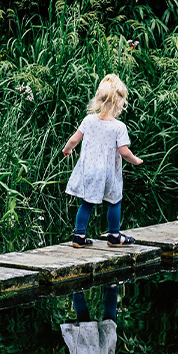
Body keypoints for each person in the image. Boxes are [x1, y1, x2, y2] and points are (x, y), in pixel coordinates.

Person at [62, 74, 143, 247]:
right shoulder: (119, 127)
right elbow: (124, 151)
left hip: (89, 169)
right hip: (108, 172)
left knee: (87, 203)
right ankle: (114, 236)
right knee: (115, 200)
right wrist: (135, 160)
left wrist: (67, 150)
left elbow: (74, 140)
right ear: (117, 104)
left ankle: (79, 236)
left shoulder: (88, 120)